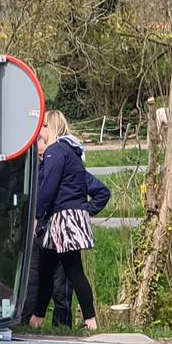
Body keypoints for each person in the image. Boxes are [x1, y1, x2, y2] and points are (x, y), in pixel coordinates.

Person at [21, 132, 110, 327]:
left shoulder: (56, 154)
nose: (36, 143)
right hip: (57, 223)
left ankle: (90, 321)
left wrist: (37, 216)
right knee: (49, 271)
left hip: (62, 222)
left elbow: (49, 189)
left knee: (72, 269)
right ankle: (37, 320)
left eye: (39, 139)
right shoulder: (66, 157)